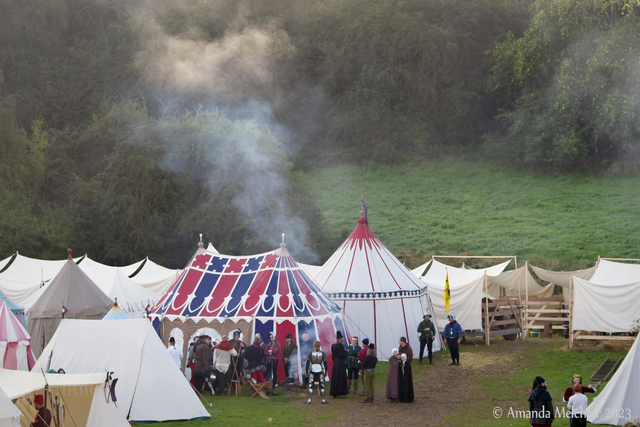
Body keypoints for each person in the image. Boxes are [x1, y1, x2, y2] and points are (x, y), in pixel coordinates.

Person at [330, 330, 349, 397]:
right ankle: (339, 391)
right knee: (340, 377)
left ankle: (334, 392)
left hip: (335, 362)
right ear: (341, 338)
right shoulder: (340, 345)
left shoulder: (333, 346)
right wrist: (346, 352)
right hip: (340, 363)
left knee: (335, 377)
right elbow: (341, 355)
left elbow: (333, 355)